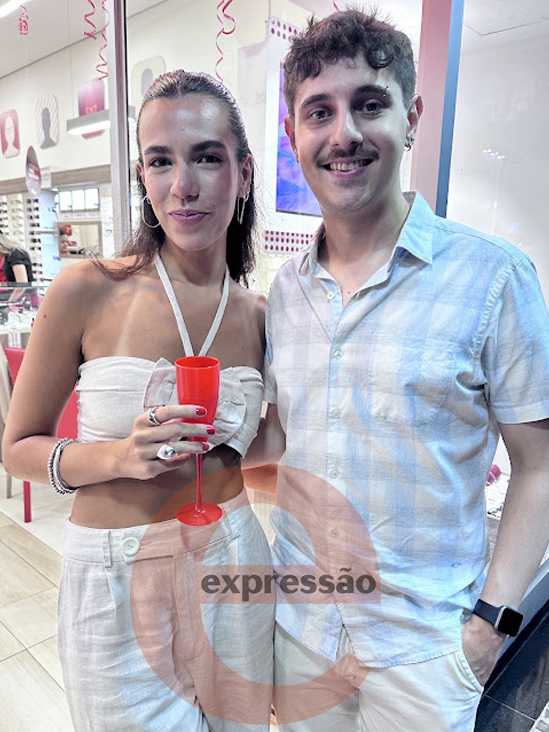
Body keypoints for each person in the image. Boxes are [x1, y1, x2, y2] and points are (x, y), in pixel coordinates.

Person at [257, 9, 549, 732]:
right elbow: (284, 440)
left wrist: (490, 626)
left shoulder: (493, 277)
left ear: (411, 117)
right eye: (318, 112)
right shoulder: (284, 293)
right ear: (293, 135)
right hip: (301, 635)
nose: (343, 134)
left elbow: (540, 466)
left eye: (368, 104)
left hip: (425, 652)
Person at [2, 70, 274, 732]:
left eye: (206, 157)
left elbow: (261, 443)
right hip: (116, 580)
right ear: (142, 178)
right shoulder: (86, 289)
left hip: (234, 558)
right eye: (160, 161)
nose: (183, 185)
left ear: (242, 172)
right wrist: (118, 457)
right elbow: (17, 449)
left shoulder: (261, 314)